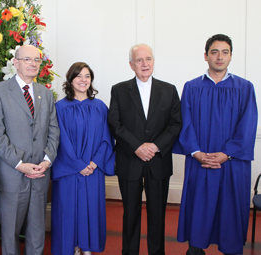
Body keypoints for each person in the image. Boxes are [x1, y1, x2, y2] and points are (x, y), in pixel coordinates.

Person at [173, 34, 258, 255]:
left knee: (230, 211)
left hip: (232, 164)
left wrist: (227, 154)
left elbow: (248, 126)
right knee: (199, 208)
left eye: (225, 52)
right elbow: (185, 123)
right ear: (205, 56)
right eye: (214, 52)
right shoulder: (191, 87)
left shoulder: (244, 88)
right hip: (200, 161)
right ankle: (195, 249)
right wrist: (197, 152)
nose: (219, 57)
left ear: (231, 57)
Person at [108, 44, 182, 255]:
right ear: (131, 65)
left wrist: (155, 146)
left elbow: (176, 123)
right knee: (130, 214)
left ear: (153, 61)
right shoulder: (119, 90)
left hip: (158, 162)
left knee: (157, 214)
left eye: (148, 59)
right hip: (129, 161)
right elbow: (114, 123)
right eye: (139, 60)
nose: (144, 64)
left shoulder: (169, 90)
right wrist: (137, 147)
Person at [0, 45, 60, 255]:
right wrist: (20, 164)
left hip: (40, 173)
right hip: (12, 175)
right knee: (10, 232)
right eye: (27, 59)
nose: (33, 64)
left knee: (37, 230)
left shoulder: (45, 94)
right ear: (16, 63)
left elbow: (54, 130)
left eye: (37, 60)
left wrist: (47, 160)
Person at [51, 62, 115, 255]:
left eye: (87, 76)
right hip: (68, 171)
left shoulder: (100, 107)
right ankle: (70, 247)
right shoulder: (60, 108)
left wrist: (94, 163)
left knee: (90, 210)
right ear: (70, 80)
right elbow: (59, 140)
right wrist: (78, 164)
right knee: (67, 211)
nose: (83, 80)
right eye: (78, 76)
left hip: (92, 171)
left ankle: (86, 247)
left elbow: (107, 139)